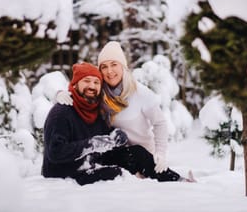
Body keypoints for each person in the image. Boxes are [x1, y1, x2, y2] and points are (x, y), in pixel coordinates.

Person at [56, 42, 194, 182]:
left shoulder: (140, 93)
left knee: (142, 162)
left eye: (114, 64)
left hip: (142, 155)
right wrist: (61, 93)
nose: (109, 71)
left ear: (123, 66)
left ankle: (180, 181)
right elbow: (80, 91)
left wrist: (161, 153)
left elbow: (160, 123)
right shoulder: (100, 92)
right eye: (104, 66)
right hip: (113, 152)